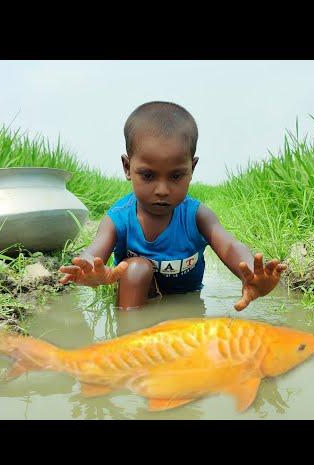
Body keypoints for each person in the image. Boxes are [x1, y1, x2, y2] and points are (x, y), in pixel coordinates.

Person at [59, 101, 287, 310]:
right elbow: (94, 252)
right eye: (148, 175)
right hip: (138, 297)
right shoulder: (119, 218)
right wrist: (89, 270)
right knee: (137, 268)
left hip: (188, 300)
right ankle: (129, 334)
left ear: (192, 169)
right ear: (128, 167)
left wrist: (249, 273)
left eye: (176, 176)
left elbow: (228, 245)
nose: (162, 189)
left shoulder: (197, 216)